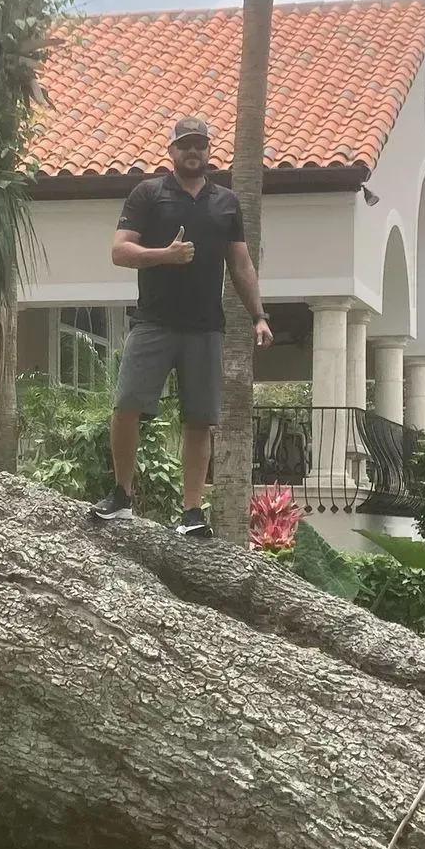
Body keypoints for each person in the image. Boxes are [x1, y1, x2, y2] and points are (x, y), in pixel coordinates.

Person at [88, 116, 271, 538]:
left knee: (199, 419)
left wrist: (259, 315)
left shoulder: (226, 202)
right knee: (126, 406)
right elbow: (120, 252)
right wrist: (164, 255)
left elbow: (240, 264)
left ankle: (191, 513)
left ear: (210, 152)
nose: (193, 152)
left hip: (206, 328)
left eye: (200, 145)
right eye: (185, 145)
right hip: (153, 322)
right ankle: (121, 496)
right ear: (171, 151)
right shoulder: (148, 194)